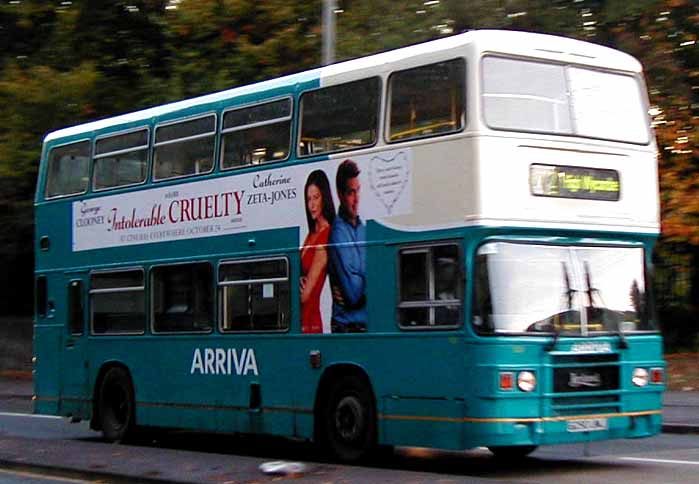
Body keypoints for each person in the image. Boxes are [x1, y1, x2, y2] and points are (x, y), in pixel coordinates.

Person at [328, 159, 367, 333]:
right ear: (340, 194)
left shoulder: (363, 230)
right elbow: (353, 294)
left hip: (365, 326)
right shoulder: (338, 234)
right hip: (347, 328)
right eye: (351, 193)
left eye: (358, 191)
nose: (356, 199)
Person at [300, 170, 335, 333]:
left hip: (310, 321)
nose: (312, 205)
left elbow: (306, 295)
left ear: (324, 198)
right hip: (300, 319)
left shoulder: (325, 237)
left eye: (316, 197)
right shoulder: (311, 234)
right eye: (308, 199)